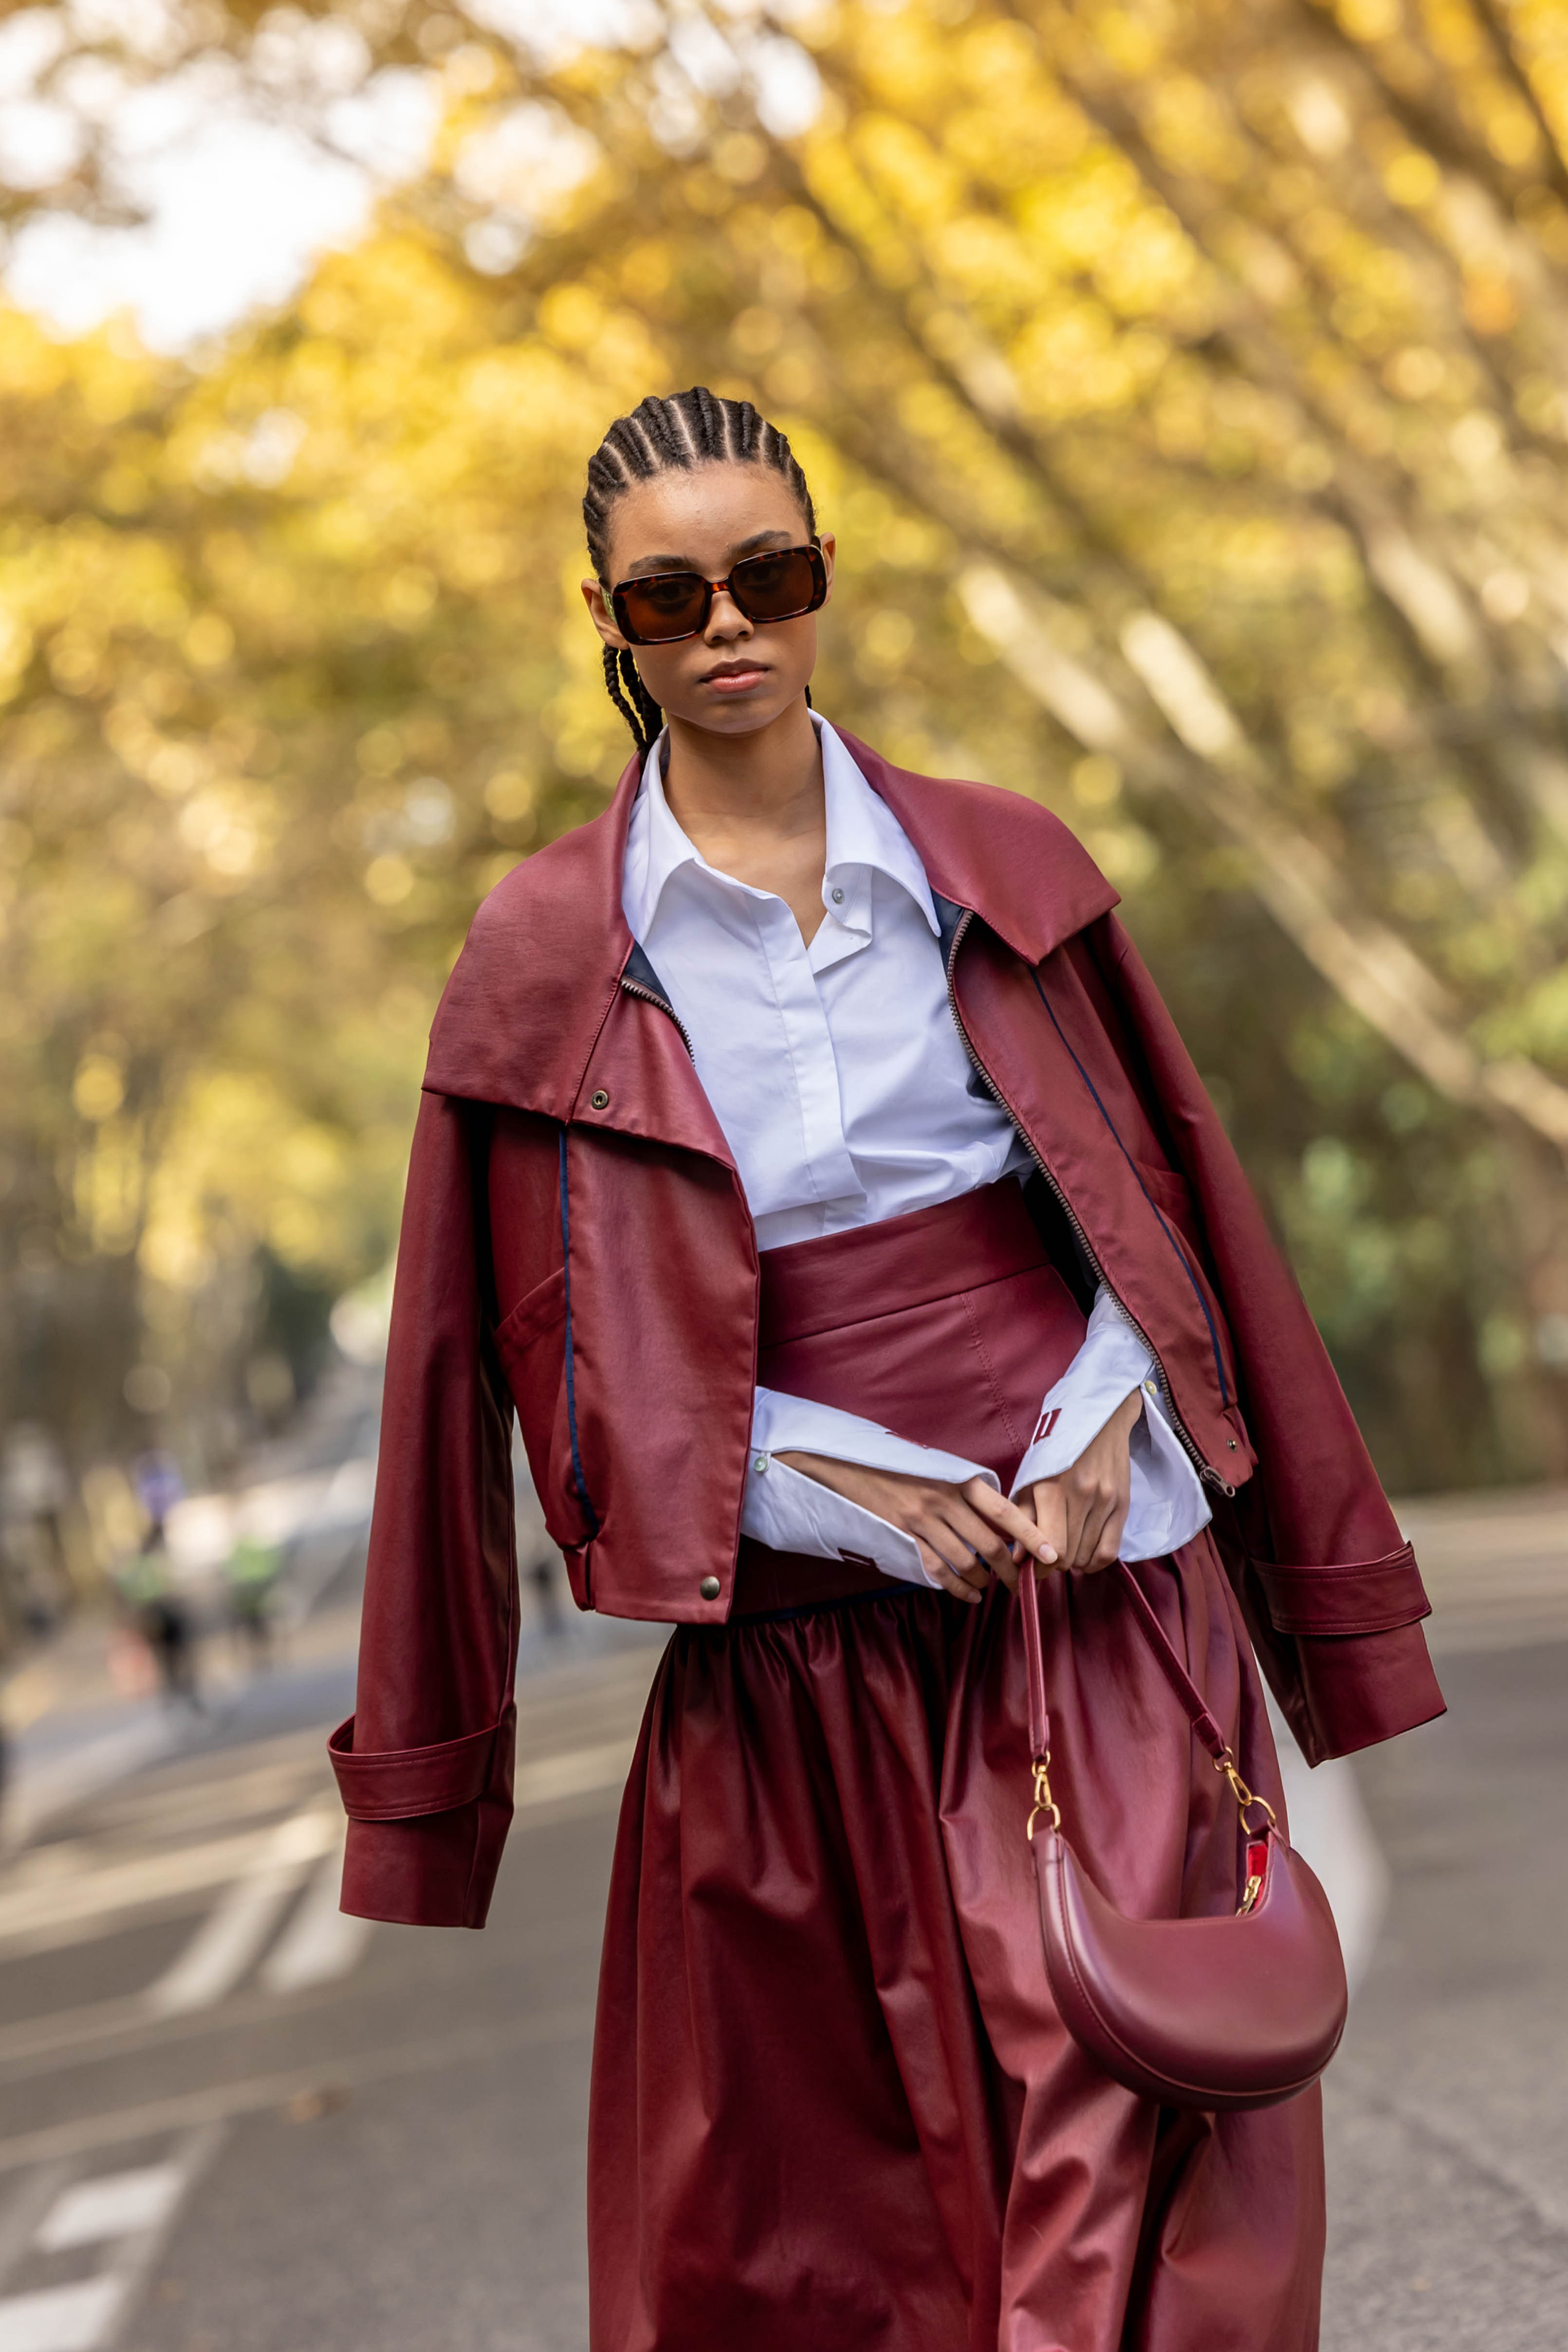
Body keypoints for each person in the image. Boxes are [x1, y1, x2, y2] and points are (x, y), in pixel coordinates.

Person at [330, 388, 1444, 2351]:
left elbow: (1164, 1189)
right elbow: (483, 1366)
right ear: (607, 622)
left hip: (1090, 1602)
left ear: (825, 573)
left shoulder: (1005, 864)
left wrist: (1112, 1401)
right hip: (783, 1662)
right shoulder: (531, 963)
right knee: (838, 2229)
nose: (729, 626)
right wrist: (788, 1474)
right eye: (671, 598)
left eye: (771, 574)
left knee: (1123, 2127)